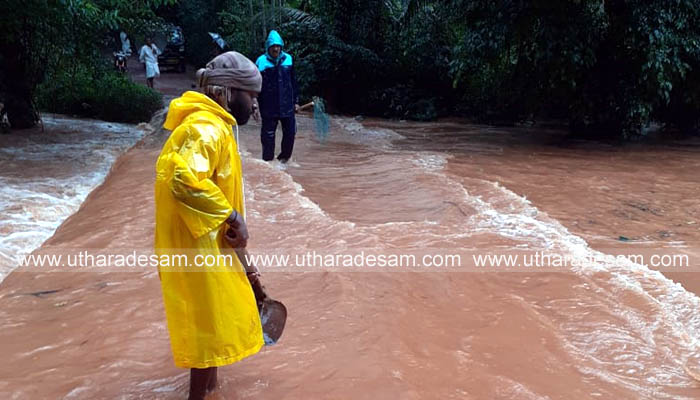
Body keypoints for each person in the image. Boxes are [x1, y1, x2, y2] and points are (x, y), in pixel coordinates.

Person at [154, 51, 267, 400]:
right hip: (196, 246)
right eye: (252, 98)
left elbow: (212, 191)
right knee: (207, 328)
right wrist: (233, 218)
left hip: (205, 240)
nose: (256, 108)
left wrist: (246, 263)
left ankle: (211, 392)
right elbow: (182, 179)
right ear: (228, 93)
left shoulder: (215, 127)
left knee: (214, 324)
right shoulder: (205, 129)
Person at [255, 30, 299, 162]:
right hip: (268, 106)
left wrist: (296, 101)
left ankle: (283, 161)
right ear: (268, 47)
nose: (275, 49)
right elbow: (254, 85)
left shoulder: (289, 60)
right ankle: (268, 164)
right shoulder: (261, 62)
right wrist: (254, 104)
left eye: (278, 46)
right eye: (273, 46)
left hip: (287, 106)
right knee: (268, 137)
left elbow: (294, 82)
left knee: (290, 134)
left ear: (281, 47)